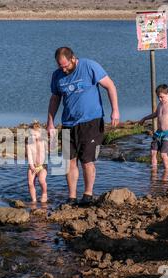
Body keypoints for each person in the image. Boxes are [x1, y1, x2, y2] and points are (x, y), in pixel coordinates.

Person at [47, 47, 120, 206]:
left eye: (65, 65)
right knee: (69, 161)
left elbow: (110, 86)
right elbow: (55, 99)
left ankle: (88, 195)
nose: (63, 69)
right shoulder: (57, 75)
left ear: (73, 58)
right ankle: (72, 197)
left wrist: (115, 111)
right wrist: (50, 122)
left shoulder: (89, 66)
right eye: (60, 66)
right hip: (68, 123)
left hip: (91, 122)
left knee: (86, 160)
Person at [26, 121, 48, 204]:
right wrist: (32, 166)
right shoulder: (29, 145)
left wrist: (40, 167)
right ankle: (34, 199)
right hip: (32, 166)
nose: (33, 137)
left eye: (35, 135)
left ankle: (44, 193)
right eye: (31, 135)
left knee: (41, 180)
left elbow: (46, 157)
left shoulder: (43, 143)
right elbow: (29, 157)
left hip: (43, 166)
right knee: (30, 183)